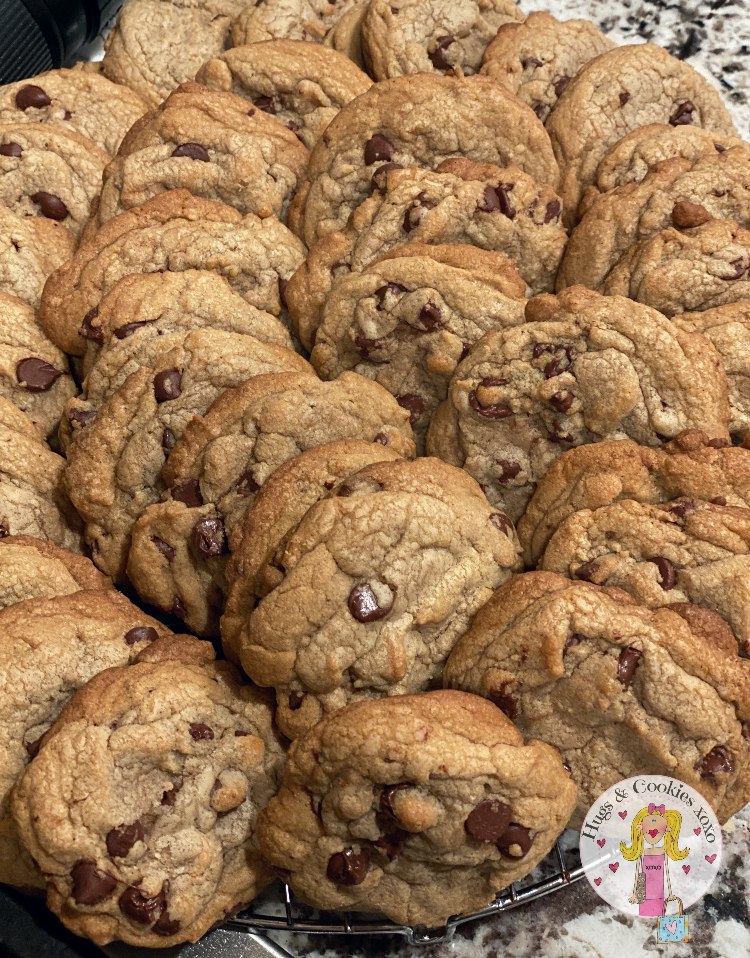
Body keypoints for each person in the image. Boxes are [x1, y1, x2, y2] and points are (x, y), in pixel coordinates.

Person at [620, 802, 689, 917]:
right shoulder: (642, 852)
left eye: (658, 830)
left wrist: (670, 893)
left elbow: (667, 872)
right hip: (645, 890)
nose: (652, 833)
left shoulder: (663, 852)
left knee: (657, 912)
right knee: (645, 912)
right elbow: (637, 873)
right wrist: (635, 894)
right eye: (648, 830)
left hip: (658, 890)